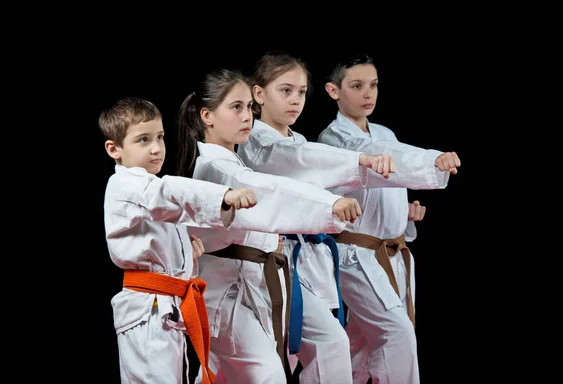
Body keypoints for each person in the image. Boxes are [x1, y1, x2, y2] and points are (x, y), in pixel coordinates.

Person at [237, 50, 442, 384]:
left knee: (345, 348)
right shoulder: (260, 142)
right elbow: (300, 163)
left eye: (301, 92)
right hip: (280, 262)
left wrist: (402, 210)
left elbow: (359, 185)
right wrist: (357, 165)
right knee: (322, 349)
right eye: (285, 91)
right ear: (259, 94)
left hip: (310, 261)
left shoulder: (301, 138)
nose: (296, 100)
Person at [175, 68, 362, 384]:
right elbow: (267, 192)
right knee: (265, 373)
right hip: (227, 295)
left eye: (249, 107)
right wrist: (328, 205)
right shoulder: (216, 169)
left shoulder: (234, 163)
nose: (247, 116)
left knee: (331, 343)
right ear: (207, 116)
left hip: (262, 281)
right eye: (236, 108)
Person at [317, 53, 461, 384]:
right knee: (396, 334)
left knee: (361, 345)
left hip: (390, 253)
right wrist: (431, 160)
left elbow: (389, 183)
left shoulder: (385, 132)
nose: (368, 94)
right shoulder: (333, 139)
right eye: (357, 86)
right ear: (333, 91)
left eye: (373, 85)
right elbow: (383, 162)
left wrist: (404, 218)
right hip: (356, 256)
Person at [99, 97, 260, 384]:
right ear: (114, 149)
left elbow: (162, 216)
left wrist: (187, 254)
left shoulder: (147, 188)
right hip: (148, 309)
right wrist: (223, 195)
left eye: (160, 137)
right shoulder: (127, 184)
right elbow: (166, 193)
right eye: (143, 140)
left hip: (165, 307)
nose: (156, 148)